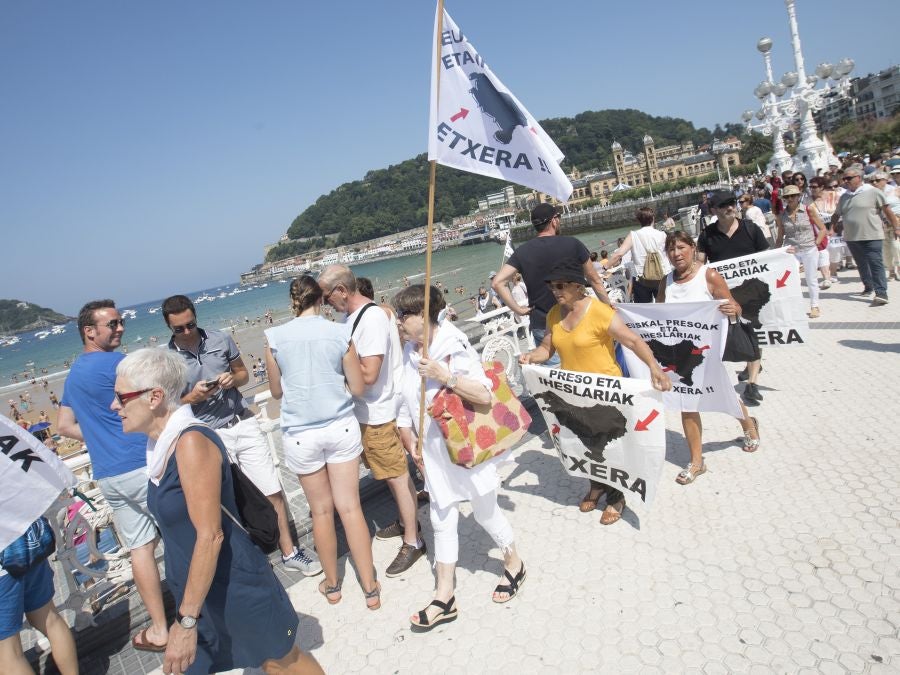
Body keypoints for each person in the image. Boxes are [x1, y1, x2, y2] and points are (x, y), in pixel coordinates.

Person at [111, 348, 322, 675]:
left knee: (280, 661)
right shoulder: (160, 448)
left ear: (154, 397)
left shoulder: (191, 443)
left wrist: (185, 622)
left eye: (121, 397)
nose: (115, 406)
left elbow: (210, 535)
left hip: (231, 584)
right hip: (197, 588)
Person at [393, 285, 525, 632]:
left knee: (484, 510)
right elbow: (404, 395)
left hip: (464, 447)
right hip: (433, 453)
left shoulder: (453, 345)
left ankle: (514, 561)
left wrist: (444, 376)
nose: (399, 323)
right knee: (441, 517)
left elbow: (483, 394)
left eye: (404, 316)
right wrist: (409, 435)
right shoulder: (409, 349)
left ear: (425, 316)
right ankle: (445, 595)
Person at [161, 295, 320, 576]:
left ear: (196, 318)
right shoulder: (167, 361)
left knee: (271, 489)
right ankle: (254, 563)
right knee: (227, 505)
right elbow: (168, 407)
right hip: (206, 437)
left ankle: (290, 552)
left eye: (190, 325)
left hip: (241, 423)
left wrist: (231, 380)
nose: (186, 332)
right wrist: (192, 396)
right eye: (179, 329)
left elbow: (243, 374)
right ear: (169, 328)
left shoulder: (221, 339)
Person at [519, 259, 671, 522]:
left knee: (607, 445)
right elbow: (547, 349)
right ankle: (597, 485)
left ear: (578, 286)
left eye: (561, 285)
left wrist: (654, 368)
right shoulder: (555, 314)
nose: (555, 291)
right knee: (583, 442)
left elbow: (633, 341)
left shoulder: (599, 312)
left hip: (605, 394)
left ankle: (616, 497)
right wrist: (531, 356)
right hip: (574, 394)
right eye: (552, 286)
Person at [56, 300, 169, 652]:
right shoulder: (121, 365)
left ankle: (161, 629)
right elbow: (159, 400)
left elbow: (64, 425)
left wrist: (104, 435)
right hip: (142, 464)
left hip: (109, 475)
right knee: (182, 534)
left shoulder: (75, 373)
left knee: (140, 550)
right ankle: (201, 609)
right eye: (113, 323)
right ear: (89, 331)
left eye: (121, 322)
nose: (120, 328)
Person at [264, 277, 381, 609]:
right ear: (321, 298)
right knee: (350, 508)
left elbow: (275, 391)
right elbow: (357, 388)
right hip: (340, 427)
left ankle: (332, 585)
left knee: (321, 512)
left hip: (301, 433)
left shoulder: (274, 337)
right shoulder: (340, 333)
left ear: (293, 302)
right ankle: (370, 588)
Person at [318, 265, 425, 578]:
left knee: (395, 475)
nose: (326, 303)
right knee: (392, 474)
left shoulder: (372, 318)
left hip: (379, 411)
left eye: (327, 297)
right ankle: (408, 522)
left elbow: (368, 374)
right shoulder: (357, 317)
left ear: (342, 289)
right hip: (369, 412)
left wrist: (331, 373)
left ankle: (413, 540)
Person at [657, 232, 762, 484]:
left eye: (681, 247)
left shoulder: (709, 276)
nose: (676, 254)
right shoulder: (666, 282)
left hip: (707, 352)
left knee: (724, 394)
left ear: (693, 248)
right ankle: (697, 461)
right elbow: (658, 315)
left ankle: (748, 424)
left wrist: (732, 309)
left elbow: (735, 307)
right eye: (671, 249)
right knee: (687, 404)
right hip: (679, 355)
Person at [492, 203, 611, 368]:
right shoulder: (573, 244)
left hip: (542, 321)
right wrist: (608, 307)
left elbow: (498, 282)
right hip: (579, 316)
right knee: (587, 366)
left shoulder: (522, 251)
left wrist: (518, 310)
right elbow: (594, 279)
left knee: (556, 375)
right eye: (558, 218)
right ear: (554, 221)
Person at [832, 166, 899, 306]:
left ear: (859, 178)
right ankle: (868, 287)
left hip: (872, 235)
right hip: (852, 237)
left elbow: (887, 211)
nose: (846, 181)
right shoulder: (844, 196)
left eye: (849, 178)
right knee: (862, 265)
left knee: (875, 263)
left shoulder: (873, 192)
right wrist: (832, 227)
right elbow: (837, 214)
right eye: (844, 179)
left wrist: (896, 227)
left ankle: (881, 293)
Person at [776, 185, 827, 318]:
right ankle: (796, 307)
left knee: (811, 279)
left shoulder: (808, 209)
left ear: (799, 196)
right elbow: (780, 236)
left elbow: (822, 229)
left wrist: (816, 244)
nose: (790, 198)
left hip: (809, 248)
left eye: (793, 195)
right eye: (787, 196)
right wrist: (775, 253)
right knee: (793, 280)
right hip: (791, 250)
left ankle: (815, 306)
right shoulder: (782, 215)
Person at [608, 207, 672, 303]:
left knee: (643, 309)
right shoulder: (663, 235)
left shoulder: (633, 235)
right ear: (653, 218)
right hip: (662, 275)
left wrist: (604, 268)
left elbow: (619, 254)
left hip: (641, 278)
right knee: (664, 306)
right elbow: (669, 254)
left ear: (638, 220)